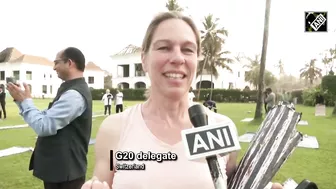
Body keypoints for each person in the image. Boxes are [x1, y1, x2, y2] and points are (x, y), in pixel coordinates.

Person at [81, 12, 283, 189]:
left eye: (188, 50)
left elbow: (231, 184)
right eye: (164, 47)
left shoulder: (221, 127)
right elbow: (101, 183)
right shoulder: (115, 129)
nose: (178, 58)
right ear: (144, 58)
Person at [7, 47, 93, 189]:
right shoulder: (70, 90)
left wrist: (26, 102)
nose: (54, 68)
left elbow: (44, 126)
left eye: (57, 63)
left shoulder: (74, 95)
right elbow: (45, 117)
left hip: (66, 172)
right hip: (60, 169)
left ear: (69, 63)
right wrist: (22, 102)